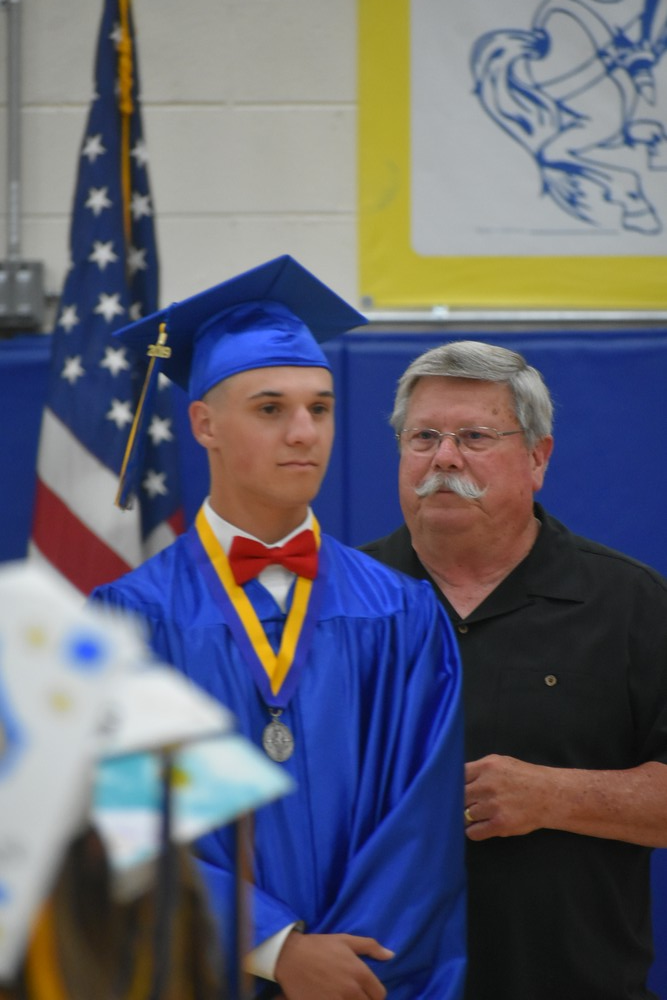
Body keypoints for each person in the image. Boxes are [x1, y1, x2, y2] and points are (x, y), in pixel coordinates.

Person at [91, 255, 467, 1000]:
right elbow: (121, 816)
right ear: (204, 424)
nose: (304, 433)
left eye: (320, 408)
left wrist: (347, 970)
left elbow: (423, 827)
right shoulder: (130, 621)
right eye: (270, 409)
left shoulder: (401, 614)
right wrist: (275, 948)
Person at [360, 339, 667, 1000]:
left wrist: (556, 796)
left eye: (473, 437)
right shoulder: (334, 602)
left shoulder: (631, 603)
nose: (444, 458)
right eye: (423, 437)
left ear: (537, 457)